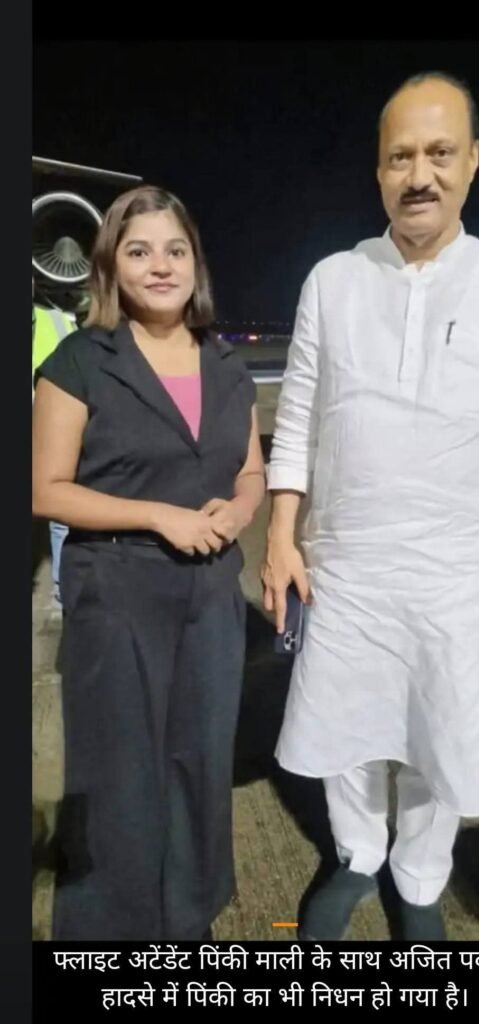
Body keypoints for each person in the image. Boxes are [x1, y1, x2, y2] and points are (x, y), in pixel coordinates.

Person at [262, 72, 479, 940]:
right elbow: (297, 418)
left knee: (438, 731)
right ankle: (356, 855)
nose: (420, 175)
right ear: (379, 169)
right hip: (346, 564)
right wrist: (280, 536)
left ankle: (419, 877)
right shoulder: (334, 280)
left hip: (459, 572)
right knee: (345, 728)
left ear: (474, 161)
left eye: (440, 153)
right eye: (401, 157)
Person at [32, 185, 265, 940]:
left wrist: (239, 512)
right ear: (111, 267)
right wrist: (157, 514)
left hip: (211, 600)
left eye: (175, 250)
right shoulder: (81, 362)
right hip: (118, 594)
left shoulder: (227, 366)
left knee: (200, 765)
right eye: (139, 251)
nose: (160, 266)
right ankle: (109, 932)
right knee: (118, 775)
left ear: (196, 264)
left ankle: (187, 919)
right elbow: (45, 489)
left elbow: (251, 472)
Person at [32, 284, 75, 607]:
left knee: (61, 510)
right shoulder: (57, 317)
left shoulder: (61, 316)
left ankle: (63, 592)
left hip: (53, 423)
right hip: (47, 420)